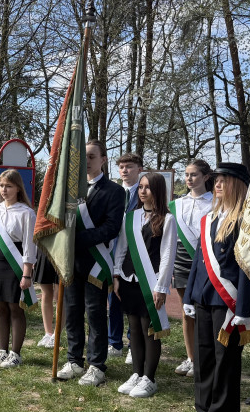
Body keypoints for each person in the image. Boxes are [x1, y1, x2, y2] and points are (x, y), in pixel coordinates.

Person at [183, 163, 250, 412]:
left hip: (229, 302)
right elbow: (198, 262)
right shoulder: (209, 218)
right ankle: (204, 409)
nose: (218, 185)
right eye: (217, 180)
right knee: (204, 357)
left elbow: (247, 268)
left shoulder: (245, 220)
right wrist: (189, 295)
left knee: (225, 359)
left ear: (237, 185)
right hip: (203, 296)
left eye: (225, 181)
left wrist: (244, 307)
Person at [57, 140, 126, 384]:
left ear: (104, 159)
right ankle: (74, 360)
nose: (87, 161)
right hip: (71, 262)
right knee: (72, 312)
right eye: (83, 156)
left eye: (92, 156)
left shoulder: (115, 191)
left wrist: (76, 240)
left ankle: (96, 364)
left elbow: (111, 227)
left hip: (96, 262)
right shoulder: (69, 189)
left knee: (96, 314)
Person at [113, 172, 177, 398]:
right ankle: (137, 373)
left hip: (151, 282)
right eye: (140, 187)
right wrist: (116, 275)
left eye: (148, 187)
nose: (142, 191)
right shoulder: (129, 217)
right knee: (135, 330)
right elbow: (122, 247)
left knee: (150, 330)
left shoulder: (167, 219)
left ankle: (150, 378)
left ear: (157, 191)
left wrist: (161, 287)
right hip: (129, 278)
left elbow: (168, 254)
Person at [0, 169, 37, 367]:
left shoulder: (27, 213)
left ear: (18, 188)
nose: (4, 189)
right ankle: (2, 350)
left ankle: (16, 353)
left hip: (16, 261)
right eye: (2, 186)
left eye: (9, 186)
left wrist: (27, 274)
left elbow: (30, 245)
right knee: (0, 307)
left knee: (15, 307)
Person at [170, 160, 214, 378]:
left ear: (206, 177)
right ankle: (191, 357)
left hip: (208, 261)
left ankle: (206, 357)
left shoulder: (216, 202)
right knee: (187, 310)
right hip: (181, 259)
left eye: (194, 174)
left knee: (205, 311)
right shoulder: (177, 204)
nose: (189, 179)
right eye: (187, 174)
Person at [109, 152, 143, 359]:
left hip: (136, 251)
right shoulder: (114, 192)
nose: (124, 170)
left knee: (132, 299)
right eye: (121, 166)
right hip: (112, 249)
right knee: (113, 297)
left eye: (129, 166)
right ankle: (114, 342)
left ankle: (133, 344)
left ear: (139, 169)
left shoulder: (144, 191)